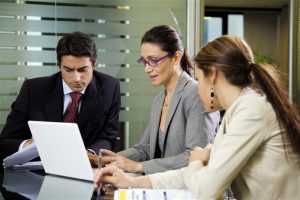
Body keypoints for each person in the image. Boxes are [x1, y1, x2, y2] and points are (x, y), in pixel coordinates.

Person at [94, 35, 300, 199]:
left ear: (213, 75)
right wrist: (130, 182)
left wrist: (195, 161)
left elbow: (206, 189)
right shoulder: (239, 111)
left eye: (199, 78)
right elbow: (195, 174)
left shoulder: (251, 111)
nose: (197, 88)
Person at [100, 25, 220, 174]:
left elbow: (197, 156)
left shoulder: (196, 93)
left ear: (176, 57)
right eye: (144, 61)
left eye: (153, 60)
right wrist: (112, 159)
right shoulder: (159, 100)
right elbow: (145, 148)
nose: (147, 69)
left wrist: (140, 166)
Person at [0, 32, 121, 163]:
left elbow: (108, 137)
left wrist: (89, 154)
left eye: (83, 70)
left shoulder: (110, 87)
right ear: (59, 65)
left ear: (94, 63)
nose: (76, 78)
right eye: (68, 70)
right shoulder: (33, 90)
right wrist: (30, 145)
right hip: (38, 169)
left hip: (84, 167)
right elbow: (5, 141)